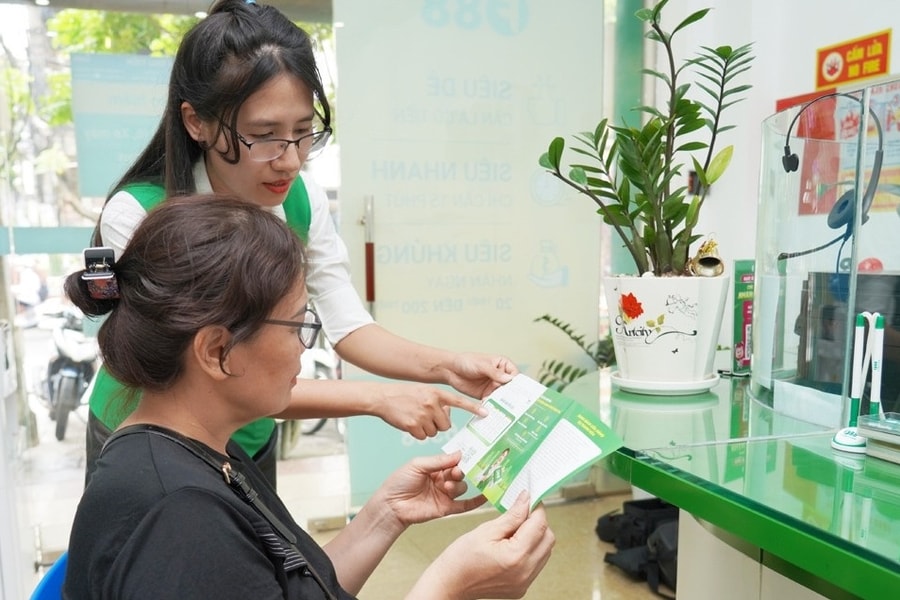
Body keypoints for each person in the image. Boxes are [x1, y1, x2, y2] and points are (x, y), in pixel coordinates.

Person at [85, 0, 517, 487]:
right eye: (264, 135)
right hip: (149, 438)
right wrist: (377, 399)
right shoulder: (141, 215)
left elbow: (348, 325)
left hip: (248, 435)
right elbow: (215, 374)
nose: (290, 160)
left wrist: (447, 366)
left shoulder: (300, 201)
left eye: (303, 132)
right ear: (195, 122)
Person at [62, 195, 554, 599]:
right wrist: (451, 588)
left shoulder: (202, 448)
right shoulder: (181, 522)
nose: (305, 345)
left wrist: (386, 513)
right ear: (217, 351)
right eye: (298, 324)